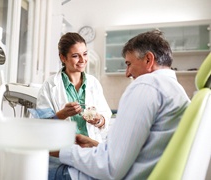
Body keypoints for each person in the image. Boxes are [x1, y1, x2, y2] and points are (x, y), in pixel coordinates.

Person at [50, 30, 191, 180]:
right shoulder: (176, 91)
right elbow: (139, 153)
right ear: (63, 58)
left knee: (33, 166)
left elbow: (110, 167)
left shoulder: (147, 85)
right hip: (100, 160)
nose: (127, 73)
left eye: (129, 64)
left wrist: (62, 151)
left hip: (91, 172)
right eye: (75, 55)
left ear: (149, 59)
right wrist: (97, 146)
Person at [36, 32, 112, 180]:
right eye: (76, 56)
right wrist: (61, 114)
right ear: (63, 57)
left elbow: (105, 116)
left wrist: (98, 120)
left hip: (90, 150)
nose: (83, 60)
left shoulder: (93, 83)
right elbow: (41, 127)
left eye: (85, 54)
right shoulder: (49, 86)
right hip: (61, 153)